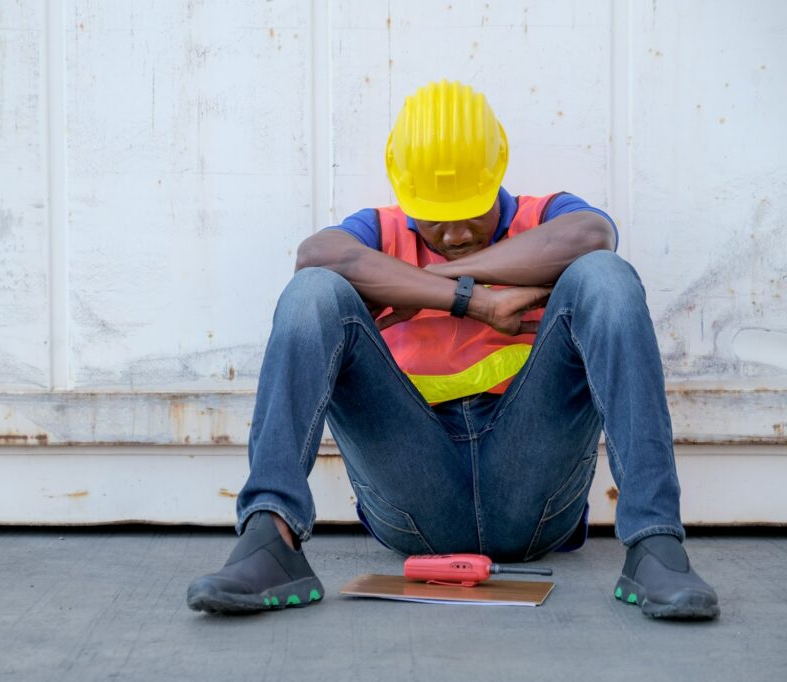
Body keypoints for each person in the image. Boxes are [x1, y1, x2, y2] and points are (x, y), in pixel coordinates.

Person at [186, 80, 719, 619]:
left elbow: (592, 237)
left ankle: (655, 542)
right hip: (415, 495)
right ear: (404, 189)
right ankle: (269, 538)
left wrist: (432, 278)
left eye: (471, 211)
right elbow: (317, 256)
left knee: (606, 278)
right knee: (311, 294)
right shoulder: (378, 231)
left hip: (532, 488)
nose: (457, 232)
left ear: (497, 173)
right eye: (435, 216)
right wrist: (472, 302)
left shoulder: (545, 218)